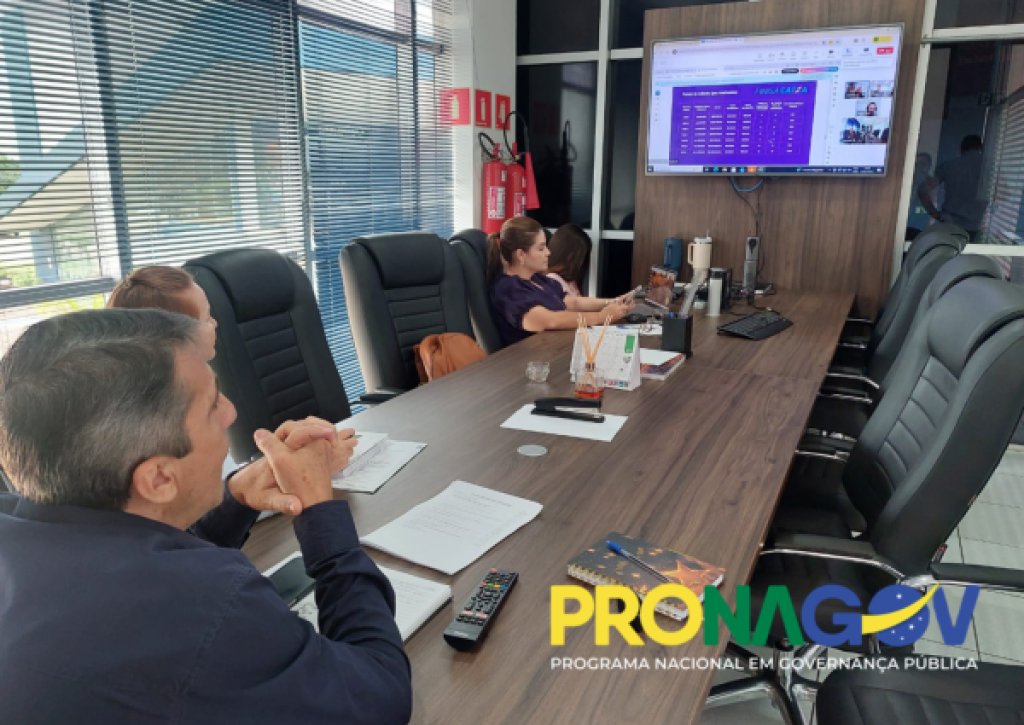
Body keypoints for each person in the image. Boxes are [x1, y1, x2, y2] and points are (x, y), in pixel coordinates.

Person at [0, 309, 412, 724]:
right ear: (159, 478)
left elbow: (136, 559)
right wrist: (320, 515)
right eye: (213, 404)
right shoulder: (207, 608)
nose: (232, 412)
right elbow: (380, 697)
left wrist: (236, 498)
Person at [107, 265, 352, 486]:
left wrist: (287, 458)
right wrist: (304, 469)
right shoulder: (162, 422)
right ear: (173, 339)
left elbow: (223, 492)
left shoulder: (159, 393)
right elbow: (203, 506)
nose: (215, 323)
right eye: (206, 317)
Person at [487, 216, 634, 346]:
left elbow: (572, 302)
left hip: (557, 348)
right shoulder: (508, 288)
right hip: (531, 360)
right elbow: (549, 320)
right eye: (541, 248)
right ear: (521, 254)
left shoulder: (537, 279)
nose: (548, 252)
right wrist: (602, 317)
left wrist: (612, 302)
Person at [917, 134, 987, 239]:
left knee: (947, 249)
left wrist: (934, 213)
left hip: (950, 224)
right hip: (975, 226)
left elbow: (922, 190)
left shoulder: (948, 166)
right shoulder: (989, 168)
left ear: (961, 149)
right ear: (981, 147)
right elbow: (1003, 195)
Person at [546, 223, 592, 297]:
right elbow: (571, 302)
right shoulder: (552, 279)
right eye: (577, 258)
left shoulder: (571, 280)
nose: (580, 263)